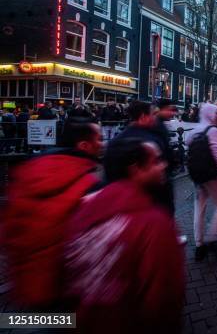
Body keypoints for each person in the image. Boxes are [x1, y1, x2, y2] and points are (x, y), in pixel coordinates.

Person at [62, 137, 184, 333]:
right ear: (136, 168)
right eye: (156, 161)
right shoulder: (153, 225)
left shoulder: (83, 209)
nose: (164, 165)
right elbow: (163, 301)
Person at [1, 116, 102, 310]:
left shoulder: (27, 172)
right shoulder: (88, 185)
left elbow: (11, 226)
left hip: (28, 282)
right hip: (66, 286)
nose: (102, 143)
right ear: (84, 146)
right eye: (98, 138)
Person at [189, 102, 217, 260]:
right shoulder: (214, 130)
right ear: (210, 114)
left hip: (197, 175)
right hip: (211, 175)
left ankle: (199, 246)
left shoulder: (196, 129)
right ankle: (212, 238)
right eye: (216, 113)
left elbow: (187, 144)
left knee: (199, 208)